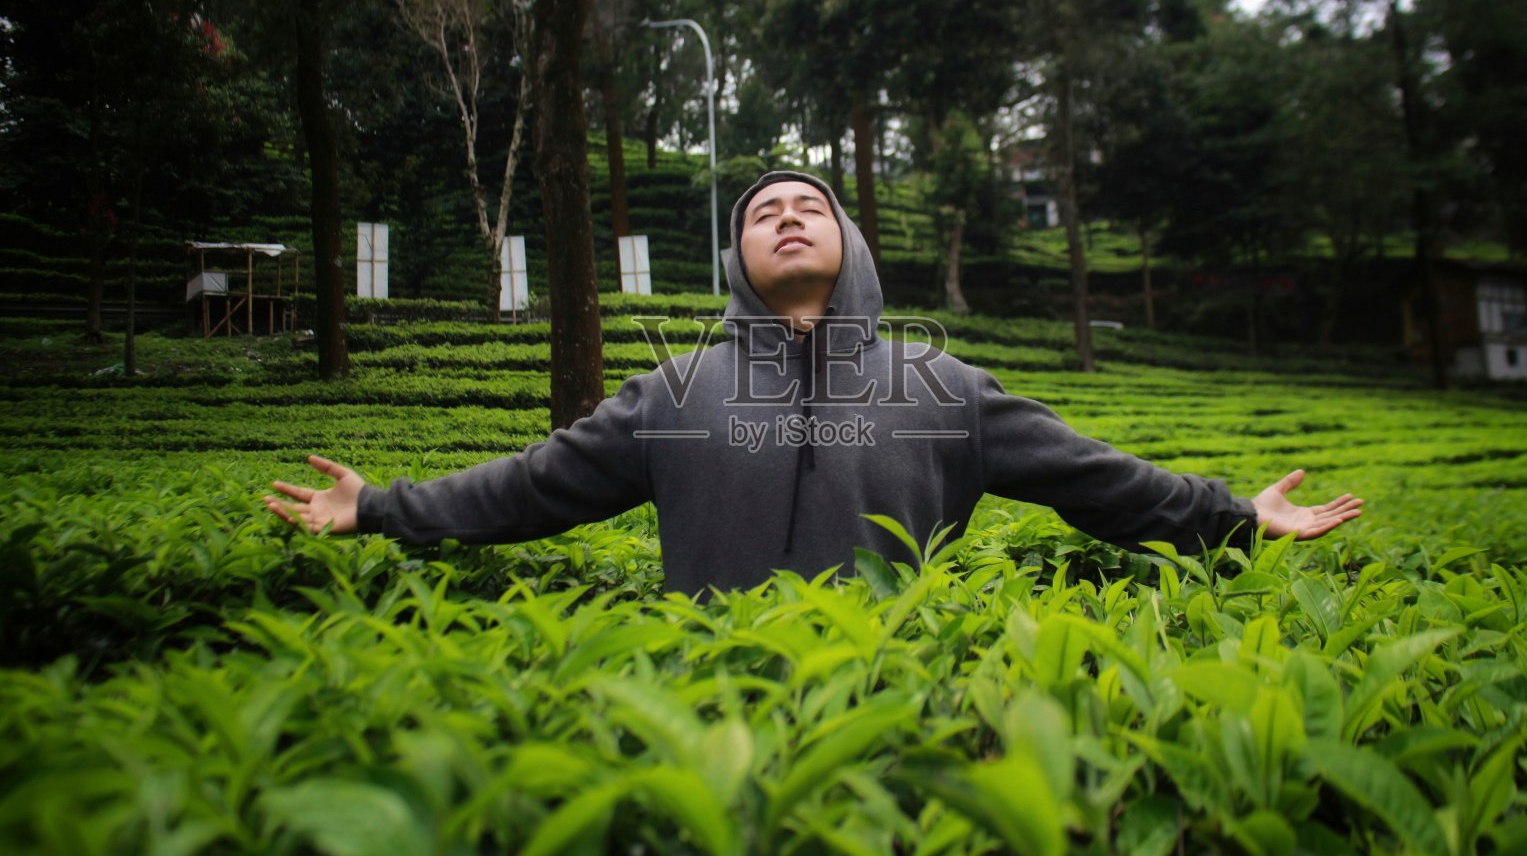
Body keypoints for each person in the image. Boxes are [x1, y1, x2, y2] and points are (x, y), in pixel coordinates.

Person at [265, 171, 1361, 593]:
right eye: (761, 213)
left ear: (850, 243)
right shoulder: (674, 391)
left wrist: (1236, 518)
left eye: (810, 206)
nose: (786, 216)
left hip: (887, 712)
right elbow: (530, 487)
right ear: (738, 260)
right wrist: (378, 506)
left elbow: (1100, 480)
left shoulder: (942, 383)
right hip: (706, 713)